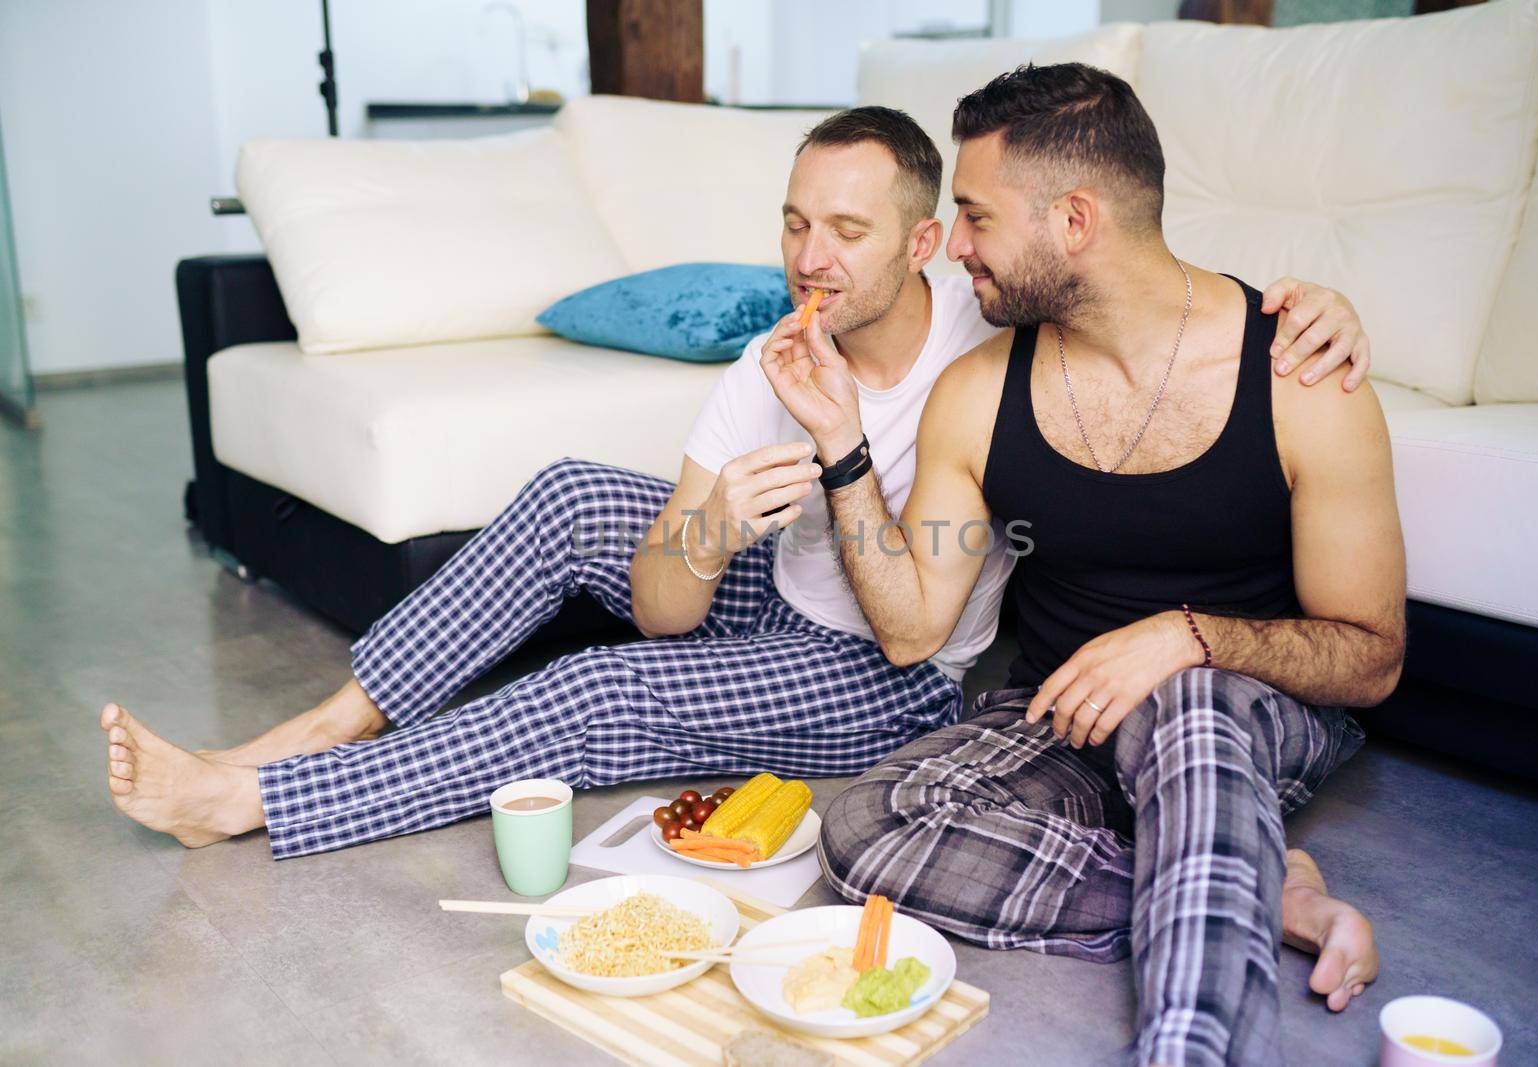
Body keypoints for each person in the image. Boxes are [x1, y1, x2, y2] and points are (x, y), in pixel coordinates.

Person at [99, 106, 1372, 864]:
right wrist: (706, 531)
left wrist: (1310, 305)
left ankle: (255, 798)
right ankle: (325, 723)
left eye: (848, 232)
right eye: (792, 223)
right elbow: (664, 600)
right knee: (562, 495)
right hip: (777, 587)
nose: (808, 259)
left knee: (593, 691)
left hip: (882, 664)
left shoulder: (991, 338)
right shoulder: (776, 351)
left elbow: (1142, 296)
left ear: (931, 242)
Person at [761, 68, 1400, 1067]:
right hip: (1060, 707)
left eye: (973, 214)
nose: (954, 241)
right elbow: (910, 629)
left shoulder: (1297, 374)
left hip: (1247, 703)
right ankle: (1247, 879)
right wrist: (841, 445)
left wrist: (1182, 637)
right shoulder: (976, 393)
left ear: (1073, 219)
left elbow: (1371, 660)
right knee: (869, 828)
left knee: (1188, 700)